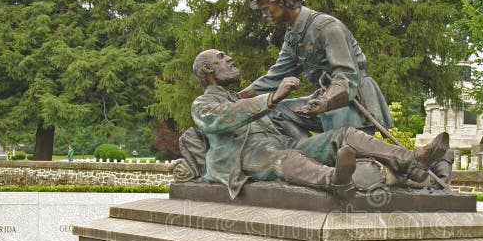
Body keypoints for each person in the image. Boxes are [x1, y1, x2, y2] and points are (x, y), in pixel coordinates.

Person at [191, 49, 448, 200]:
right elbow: (223, 118)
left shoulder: (241, 99)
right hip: (245, 158)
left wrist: (325, 98)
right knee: (286, 158)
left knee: (343, 135)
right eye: (221, 58)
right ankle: (335, 180)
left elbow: (291, 109)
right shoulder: (202, 105)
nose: (230, 59)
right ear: (206, 70)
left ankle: (411, 160)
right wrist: (271, 97)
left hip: (284, 144)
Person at [238, 0, 394, 138]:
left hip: (351, 100)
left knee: (351, 157)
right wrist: (236, 98)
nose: (263, 15)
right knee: (275, 113)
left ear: (281, 2)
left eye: (265, 8)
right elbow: (274, 78)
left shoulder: (327, 27)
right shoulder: (292, 38)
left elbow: (347, 76)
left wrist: (326, 101)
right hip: (323, 100)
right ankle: (311, 154)